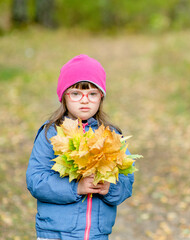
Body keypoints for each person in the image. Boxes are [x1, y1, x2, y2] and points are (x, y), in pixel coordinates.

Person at [26, 54, 134, 240]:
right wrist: (76, 188)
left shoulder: (111, 135)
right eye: (76, 93)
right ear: (64, 97)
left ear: (101, 97)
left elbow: (127, 181)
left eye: (92, 94)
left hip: (97, 235)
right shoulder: (51, 134)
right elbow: (36, 180)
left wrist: (110, 188)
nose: (85, 100)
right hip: (55, 234)